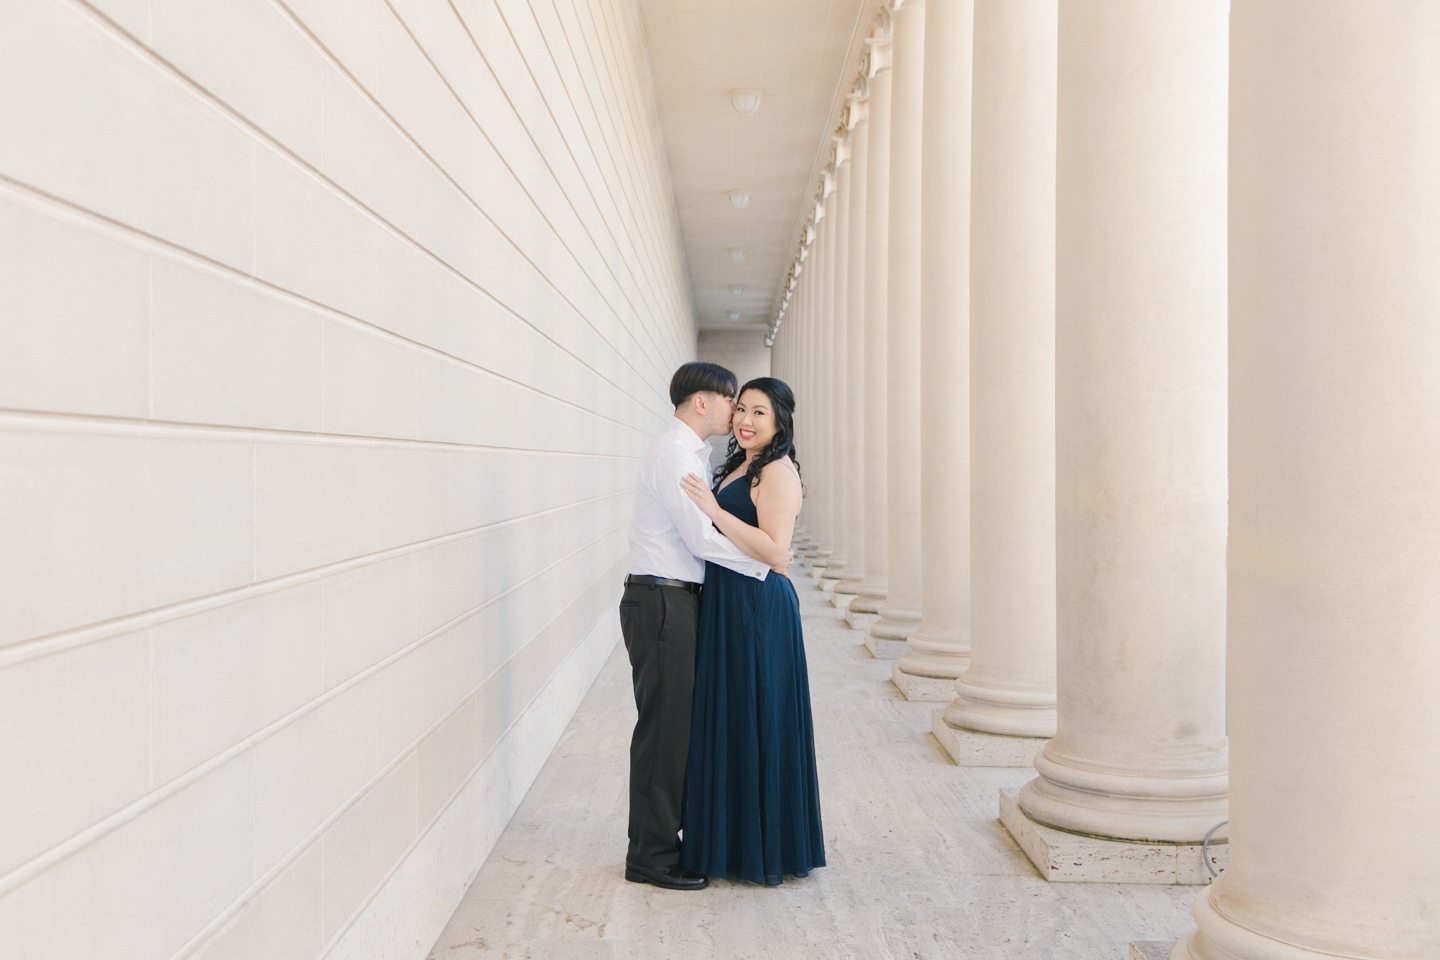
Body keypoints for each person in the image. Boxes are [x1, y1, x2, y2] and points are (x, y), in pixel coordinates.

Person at [620, 362, 790, 891]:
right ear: (703, 402)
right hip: (663, 601)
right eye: (732, 402)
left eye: (750, 407)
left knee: (678, 730)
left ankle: (667, 842)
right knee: (664, 732)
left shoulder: (695, 455)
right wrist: (765, 564)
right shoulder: (676, 454)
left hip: (676, 600)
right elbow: (700, 540)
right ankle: (649, 855)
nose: (735, 412)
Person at [678, 377, 825, 885]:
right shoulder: (743, 465)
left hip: (759, 607)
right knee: (732, 718)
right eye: (741, 409)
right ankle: (731, 843)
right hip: (729, 603)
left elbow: (774, 550)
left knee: (757, 718)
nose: (745, 419)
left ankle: (761, 849)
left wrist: (714, 511)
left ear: (780, 421)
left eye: (759, 412)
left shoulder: (779, 473)